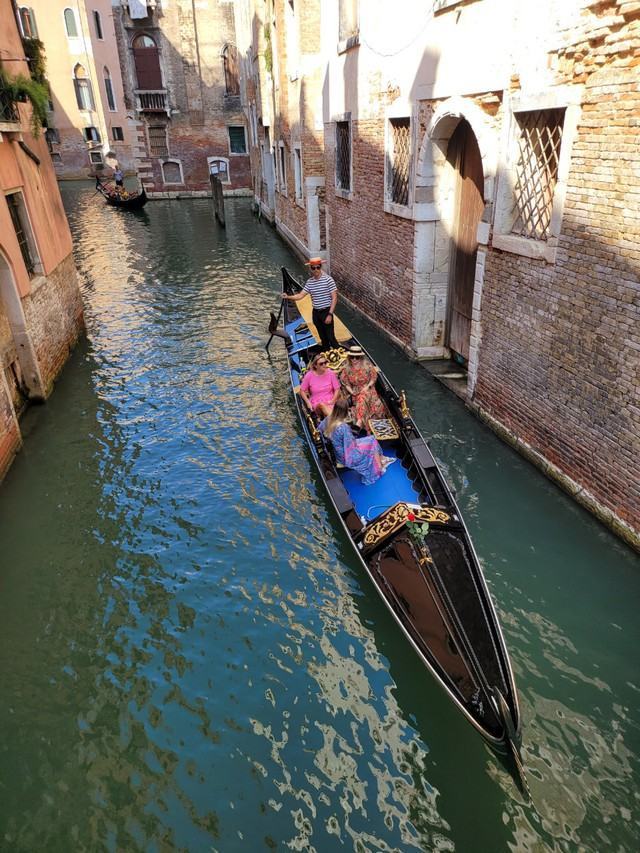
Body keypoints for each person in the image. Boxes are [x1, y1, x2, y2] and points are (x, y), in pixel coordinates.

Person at [320, 397, 395, 486]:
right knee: (372, 443)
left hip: (338, 451)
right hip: (346, 456)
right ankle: (378, 469)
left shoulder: (328, 419)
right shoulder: (343, 427)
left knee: (371, 439)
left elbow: (319, 429)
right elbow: (352, 444)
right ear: (345, 412)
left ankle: (381, 459)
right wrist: (357, 427)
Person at [282, 257, 338, 351]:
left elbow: (335, 298)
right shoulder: (310, 282)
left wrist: (330, 314)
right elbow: (300, 296)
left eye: (318, 267)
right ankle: (327, 357)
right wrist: (288, 297)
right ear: (310, 268)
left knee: (331, 338)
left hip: (326, 312)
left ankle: (341, 359)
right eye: (313, 268)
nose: (316, 270)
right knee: (323, 338)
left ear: (321, 267)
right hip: (316, 313)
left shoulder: (329, 280)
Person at [339, 344, 386, 432]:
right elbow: (346, 384)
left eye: (357, 357)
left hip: (369, 390)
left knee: (362, 395)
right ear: (349, 357)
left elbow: (373, 378)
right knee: (361, 397)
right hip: (356, 392)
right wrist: (352, 392)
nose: (354, 359)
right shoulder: (347, 369)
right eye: (352, 357)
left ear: (361, 357)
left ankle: (359, 423)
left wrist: (367, 386)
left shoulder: (368, 366)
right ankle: (360, 423)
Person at [299, 353, 341, 418]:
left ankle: (334, 421)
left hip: (331, 400)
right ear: (315, 366)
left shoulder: (331, 373)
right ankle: (335, 420)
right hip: (317, 402)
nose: (324, 365)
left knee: (337, 406)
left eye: (325, 362)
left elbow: (337, 389)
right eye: (321, 364)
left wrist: (333, 400)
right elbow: (302, 391)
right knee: (322, 405)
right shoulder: (309, 375)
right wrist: (308, 402)